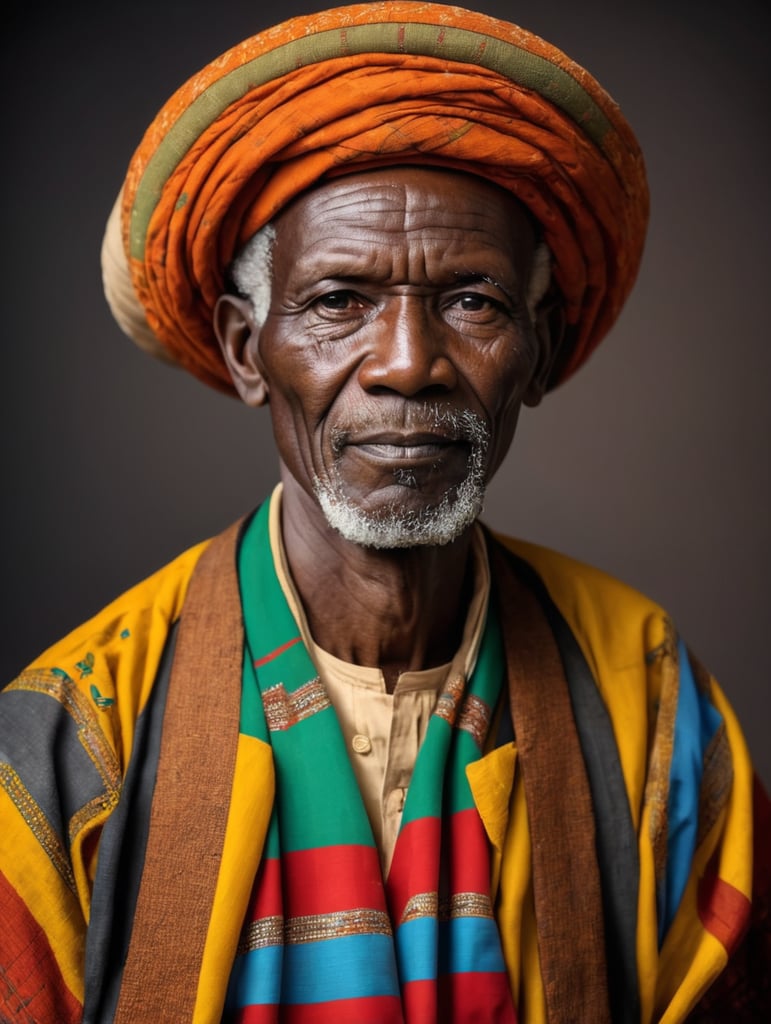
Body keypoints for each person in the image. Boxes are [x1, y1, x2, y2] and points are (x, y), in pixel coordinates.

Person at [1, 2, 768, 1021]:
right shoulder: (74, 740)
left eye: (473, 301)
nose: (409, 364)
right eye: (337, 301)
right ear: (244, 350)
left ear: (536, 349)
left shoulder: (654, 706)